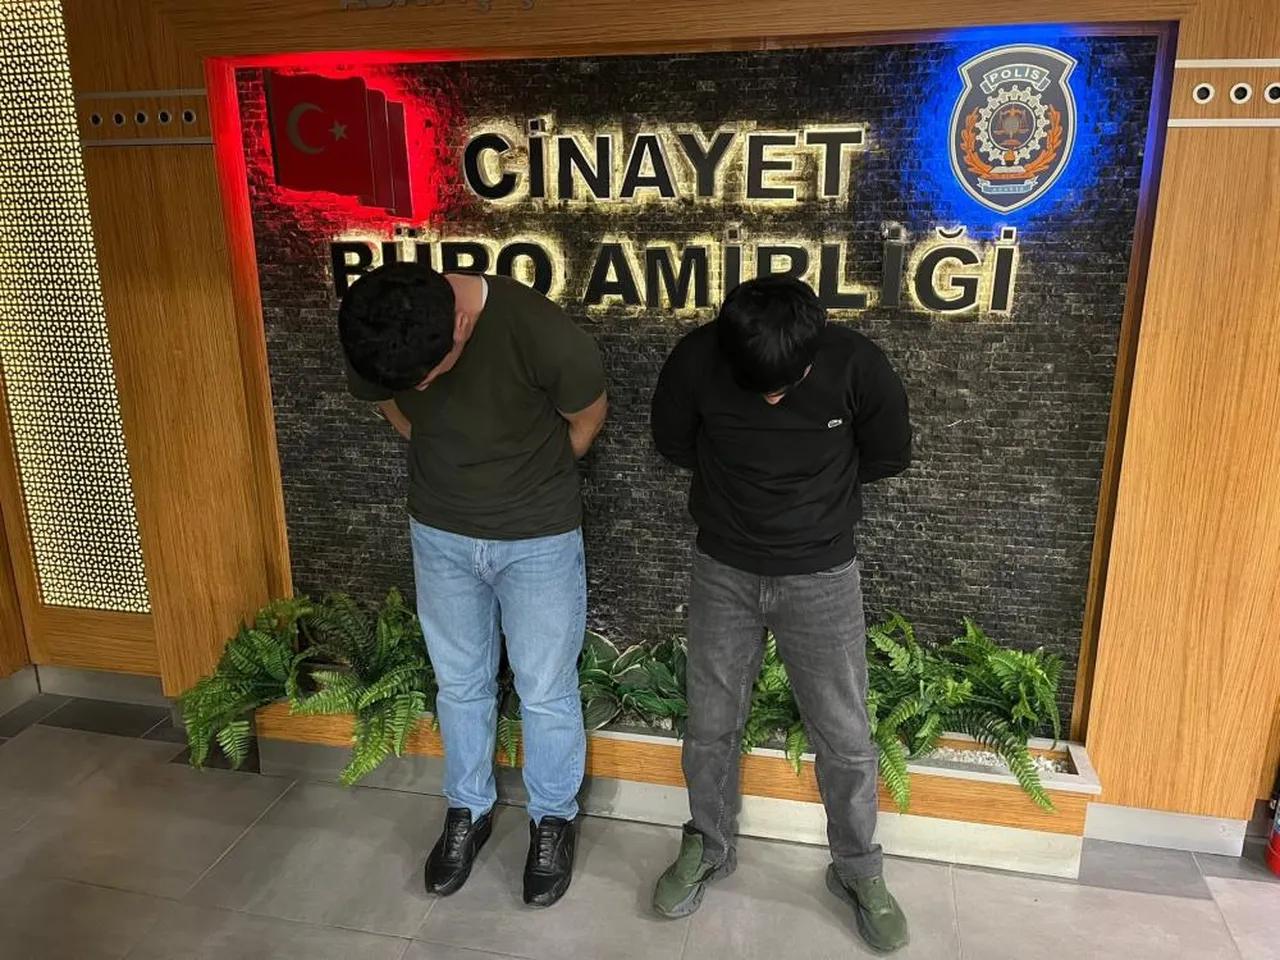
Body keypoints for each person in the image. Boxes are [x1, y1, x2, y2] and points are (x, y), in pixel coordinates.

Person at [649, 276, 912, 952]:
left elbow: (887, 455)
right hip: (723, 567)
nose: (771, 398)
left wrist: (814, 500)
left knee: (845, 734)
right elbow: (673, 444)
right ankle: (708, 846)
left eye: (785, 387)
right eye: (756, 386)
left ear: (814, 349)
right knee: (710, 723)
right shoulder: (696, 359)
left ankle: (857, 868)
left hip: (822, 574)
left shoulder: (858, 365)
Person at [338, 262, 607, 908]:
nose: (422, 388)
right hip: (439, 531)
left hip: (538, 535)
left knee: (545, 687)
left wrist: (526, 478)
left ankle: (553, 818)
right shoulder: (378, 325)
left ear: (460, 324)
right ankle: (468, 807)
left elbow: (587, 418)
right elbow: (390, 404)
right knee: (459, 682)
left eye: (431, 376)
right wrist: (440, 449)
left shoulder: (540, 332)